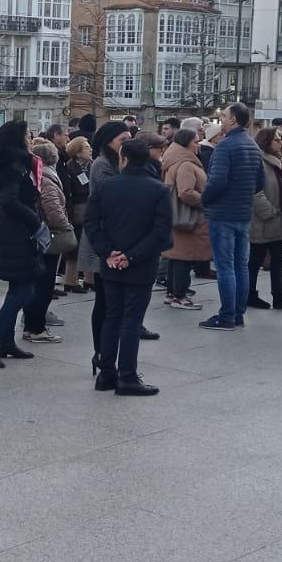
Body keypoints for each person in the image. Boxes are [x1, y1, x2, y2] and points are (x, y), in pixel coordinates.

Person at [83, 138, 170, 394]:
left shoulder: (106, 187)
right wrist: (131, 256)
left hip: (111, 262)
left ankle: (106, 373)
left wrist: (108, 251)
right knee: (131, 320)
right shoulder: (158, 190)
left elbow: (91, 222)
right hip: (141, 264)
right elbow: (161, 232)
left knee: (112, 316)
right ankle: (128, 376)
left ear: (124, 158)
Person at [0, 121, 45, 368]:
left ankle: (5, 341)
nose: (31, 138)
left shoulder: (11, 163)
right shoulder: (14, 166)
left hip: (14, 229)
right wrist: (35, 222)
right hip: (17, 231)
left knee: (20, 285)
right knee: (25, 288)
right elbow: (10, 201)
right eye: (28, 135)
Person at [199, 103, 262, 331]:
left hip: (223, 213)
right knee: (240, 266)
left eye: (223, 116)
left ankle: (226, 316)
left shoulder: (225, 146)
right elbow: (260, 182)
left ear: (234, 120)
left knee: (225, 266)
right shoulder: (252, 145)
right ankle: (237, 314)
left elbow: (216, 181)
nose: (221, 120)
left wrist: (204, 199)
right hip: (243, 212)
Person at [81, 121, 132, 361]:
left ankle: (106, 349)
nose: (127, 144)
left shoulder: (117, 162)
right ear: (109, 141)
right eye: (123, 140)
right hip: (102, 236)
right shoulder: (102, 165)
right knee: (103, 299)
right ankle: (100, 351)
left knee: (111, 299)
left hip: (116, 234)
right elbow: (112, 197)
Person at [248, 128, 282, 311]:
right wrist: (269, 211)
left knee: (278, 256)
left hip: (279, 218)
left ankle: (279, 295)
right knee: (256, 258)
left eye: (281, 139)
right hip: (264, 218)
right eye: (276, 139)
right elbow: (255, 190)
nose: (281, 142)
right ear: (266, 141)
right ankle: (250, 294)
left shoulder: (280, 161)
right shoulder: (258, 160)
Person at [22, 141, 71, 342]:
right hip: (48, 234)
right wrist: (65, 226)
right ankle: (36, 328)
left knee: (38, 283)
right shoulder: (48, 177)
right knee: (44, 284)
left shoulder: (39, 174)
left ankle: (32, 325)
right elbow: (52, 208)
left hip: (39, 233)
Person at [161, 129, 209, 311]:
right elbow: (186, 192)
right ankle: (179, 296)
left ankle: (173, 293)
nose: (199, 144)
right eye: (195, 141)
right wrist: (205, 202)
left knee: (176, 256)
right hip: (188, 218)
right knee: (183, 258)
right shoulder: (186, 163)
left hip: (179, 217)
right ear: (186, 143)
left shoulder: (174, 159)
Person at [59, 136, 92, 294]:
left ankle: (89, 279)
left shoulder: (91, 165)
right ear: (78, 153)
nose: (90, 149)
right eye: (86, 147)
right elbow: (77, 189)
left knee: (91, 243)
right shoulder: (71, 167)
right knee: (75, 245)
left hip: (90, 208)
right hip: (78, 209)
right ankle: (70, 280)